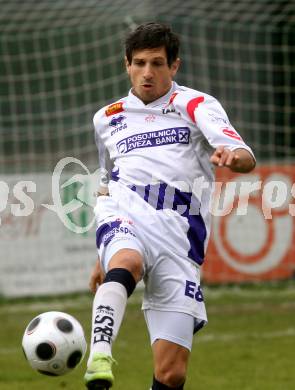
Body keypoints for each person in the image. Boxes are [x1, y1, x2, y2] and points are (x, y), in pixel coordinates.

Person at [84, 22, 255, 390]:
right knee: (126, 262)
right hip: (125, 209)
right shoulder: (107, 117)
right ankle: (99, 354)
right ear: (127, 64)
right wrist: (102, 255)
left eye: (158, 63)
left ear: (174, 66)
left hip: (180, 234)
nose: (148, 72)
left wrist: (231, 156)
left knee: (171, 372)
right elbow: (106, 181)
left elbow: (244, 156)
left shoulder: (195, 104)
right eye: (140, 62)